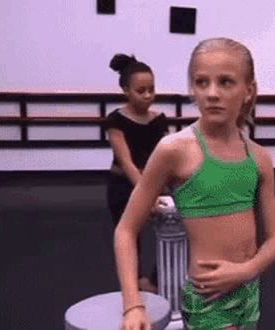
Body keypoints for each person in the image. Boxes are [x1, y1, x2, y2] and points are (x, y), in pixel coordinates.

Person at [115, 37, 275, 330]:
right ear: (192, 88)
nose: (212, 93)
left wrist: (247, 271)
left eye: (226, 82)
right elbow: (126, 230)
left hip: (249, 292)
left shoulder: (259, 157)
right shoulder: (175, 150)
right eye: (201, 82)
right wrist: (132, 305)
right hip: (209, 300)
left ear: (248, 91)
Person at [103, 53, 168, 293]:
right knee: (129, 236)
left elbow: (167, 155)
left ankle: (153, 282)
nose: (148, 96)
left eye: (151, 89)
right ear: (126, 90)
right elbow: (126, 162)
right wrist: (148, 195)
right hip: (123, 184)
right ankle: (134, 286)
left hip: (154, 183)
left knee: (172, 231)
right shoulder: (115, 120)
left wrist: (161, 188)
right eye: (141, 91)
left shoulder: (159, 119)